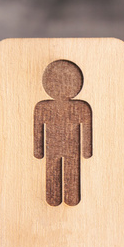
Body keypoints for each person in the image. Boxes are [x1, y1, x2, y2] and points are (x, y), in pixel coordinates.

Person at [33, 60, 92, 206]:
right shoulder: (43, 108)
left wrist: (86, 150)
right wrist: (38, 150)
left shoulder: (81, 108)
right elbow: (38, 131)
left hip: (68, 149)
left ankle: (70, 199)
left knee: (71, 174)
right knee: (53, 174)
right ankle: (54, 199)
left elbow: (86, 130)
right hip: (56, 149)